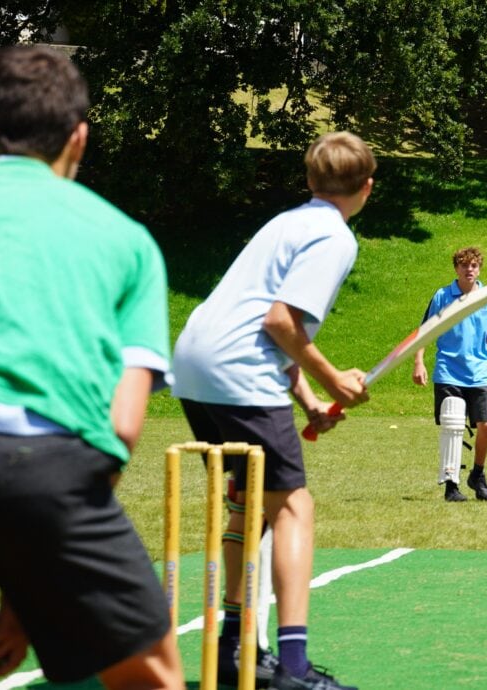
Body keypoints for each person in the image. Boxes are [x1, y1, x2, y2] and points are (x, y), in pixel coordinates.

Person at [0, 46, 183, 689]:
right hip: (43, 468)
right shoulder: (126, 241)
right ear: (79, 138)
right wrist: (35, 593)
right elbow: (121, 428)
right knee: (151, 672)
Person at [171, 131, 373, 690]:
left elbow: (263, 322)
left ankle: (238, 649)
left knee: (252, 504)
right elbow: (279, 323)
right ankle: (293, 669)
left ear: (309, 182)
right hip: (238, 372)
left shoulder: (284, 223)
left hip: (193, 366)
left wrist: (310, 401)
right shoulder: (333, 237)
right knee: (293, 509)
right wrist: (335, 379)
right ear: (367, 187)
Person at [412, 247, 487, 502]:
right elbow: (425, 331)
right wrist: (419, 362)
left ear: (479, 269)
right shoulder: (443, 296)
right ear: (456, 268)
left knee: (486, 425)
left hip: (479, 373)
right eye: (464, 265)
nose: (469, 270)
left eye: (474, 266)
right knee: (452, 427)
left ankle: (477, 474)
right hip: (448, 372)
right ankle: (451, 485)